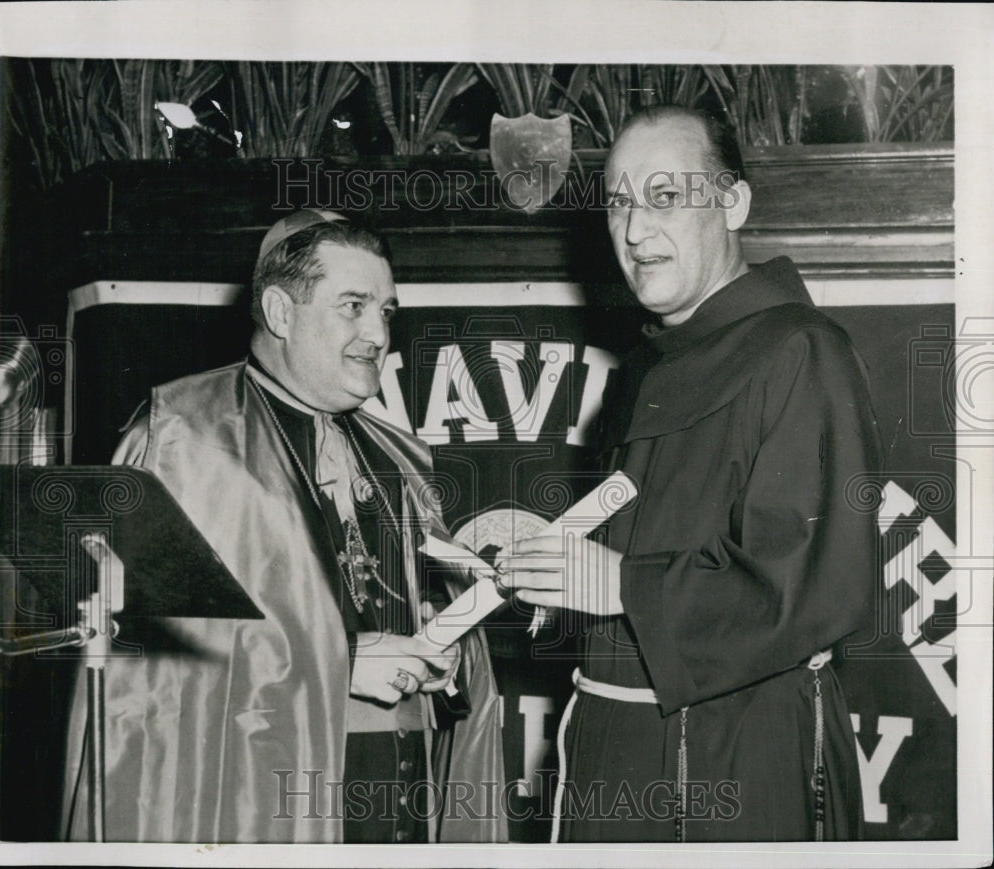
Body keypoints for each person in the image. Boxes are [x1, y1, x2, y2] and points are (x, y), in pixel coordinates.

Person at [62, 211, 506, 843]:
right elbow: (144, 667)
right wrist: (340, 660)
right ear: (279, 311)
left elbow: (422, 607)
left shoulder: (400, 458)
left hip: (401, 780)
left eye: (386, 311)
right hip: (257, 785)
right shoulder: (181, 437)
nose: (377, 333)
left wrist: (449, 649)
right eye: (352, 306)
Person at [503, 106, 882, 842]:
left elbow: (813, 580)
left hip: (735, 754)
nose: (636, 232)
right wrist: (558, 581)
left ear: (733, 202)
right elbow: (641, 551)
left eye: (665, 197)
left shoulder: (802, 349)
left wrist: (616, 584)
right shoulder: (646, 366)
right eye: (619, 202)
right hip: (617, 742)